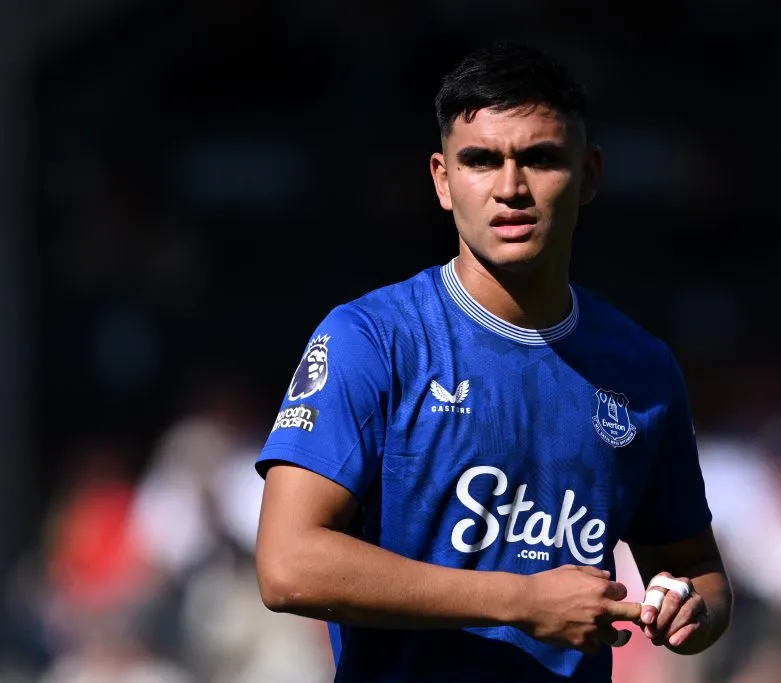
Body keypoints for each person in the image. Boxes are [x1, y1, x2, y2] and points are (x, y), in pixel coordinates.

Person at [253, 40, 732, 682]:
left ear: (589, 174)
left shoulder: (643, 369)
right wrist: (521, 600)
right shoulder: (371, 339)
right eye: (481, 160)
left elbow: (698, 571)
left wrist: (689, 609)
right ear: (443, 181)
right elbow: (287, 565)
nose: (510, 188)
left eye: (539, 159)